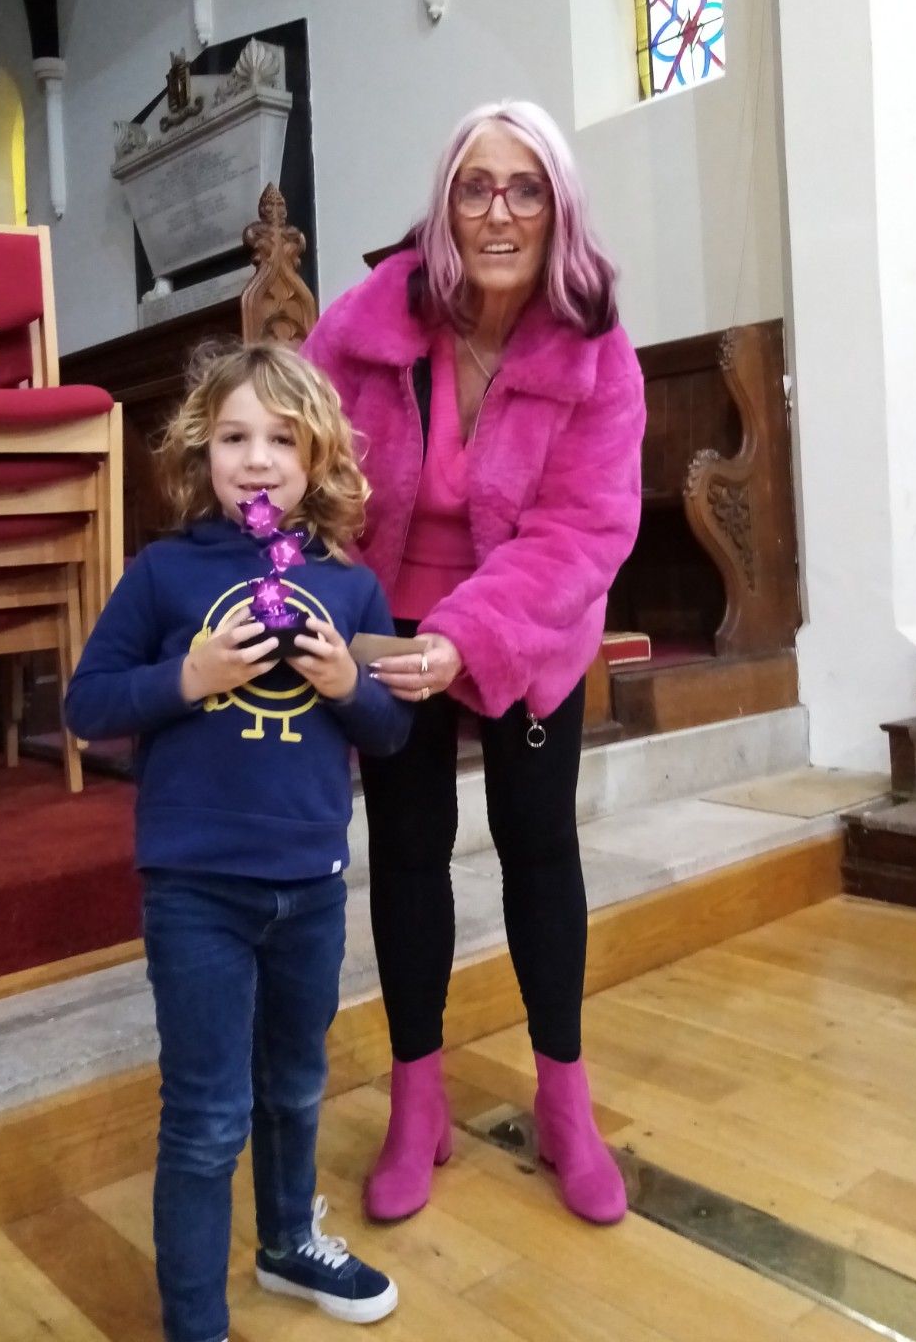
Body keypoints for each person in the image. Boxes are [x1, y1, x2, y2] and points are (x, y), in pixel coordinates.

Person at [303, 100, 645, 1227]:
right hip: (397, 620)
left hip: (529, 624)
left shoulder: (597, 352)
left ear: (557, 208)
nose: (499, 210)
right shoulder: (366, 328)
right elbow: (310, 476)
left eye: (525, 188)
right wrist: (348, 614)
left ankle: (565, 1101)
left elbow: (583, 531)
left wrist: (474, 634)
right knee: (405, 851)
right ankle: (418, 1102)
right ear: (445, 207)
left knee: (538, 843)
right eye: (475, 187)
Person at [65, 341, 410, 1342]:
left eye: (281, 439)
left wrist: (352, 685)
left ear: (319, 458)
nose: (256, 459)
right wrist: (191, 674)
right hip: (196, 888)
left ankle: (288, 1240)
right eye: (233, 437)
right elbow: (89, 703)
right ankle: (196, 1322)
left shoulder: (347, 586)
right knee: (208, 1114)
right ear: (198, 449)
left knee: (297, 1079)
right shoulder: (166, 573)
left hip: (311, 879)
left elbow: (388, 736)